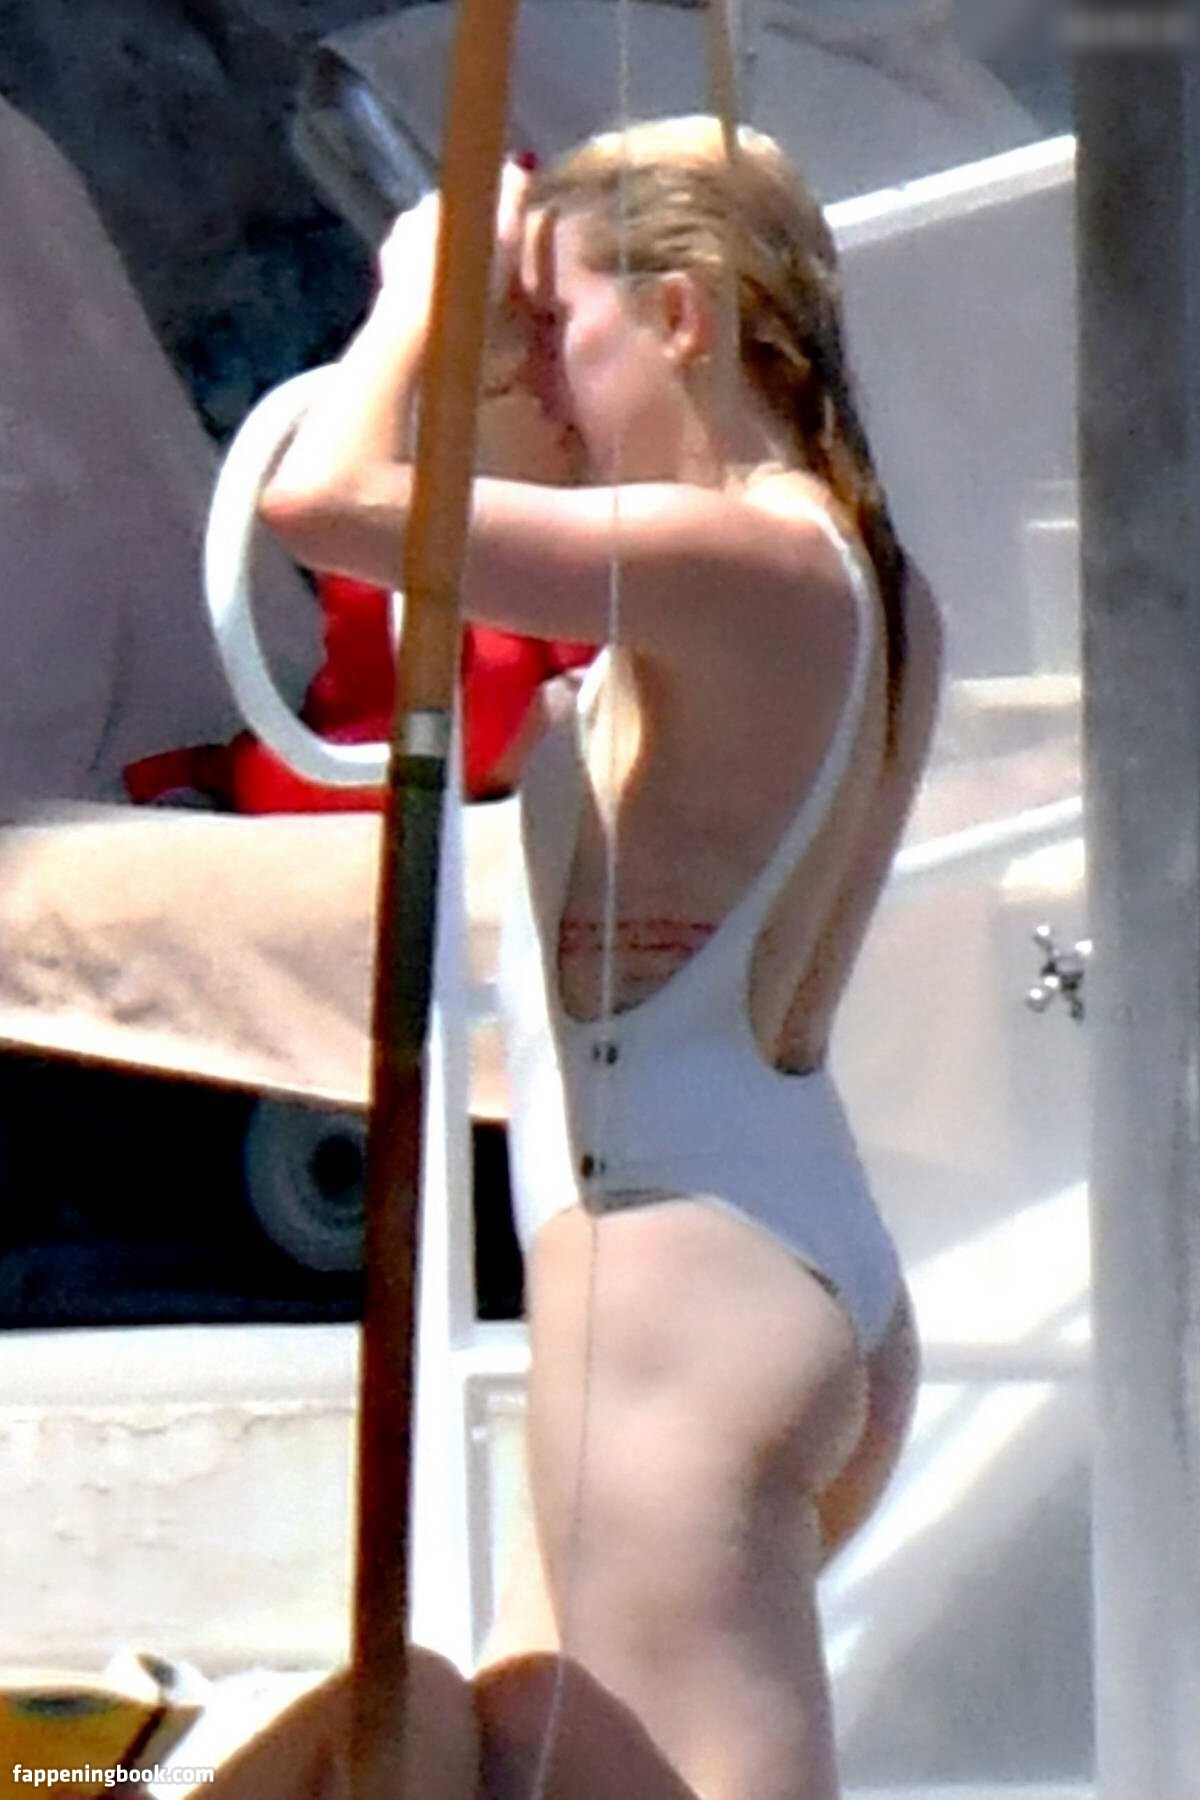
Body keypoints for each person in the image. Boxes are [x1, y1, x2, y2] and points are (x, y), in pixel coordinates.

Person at [260, 115, 943, 1800]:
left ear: (684, 317)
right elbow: (499, 524)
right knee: (487, 1746)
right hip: (767, 1241)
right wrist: (515, 336)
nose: (545, 385)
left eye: (562, 330)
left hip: (673, 1297)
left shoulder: (737, 563)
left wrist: (416, 296)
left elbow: (323, 503)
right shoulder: (853, 577)